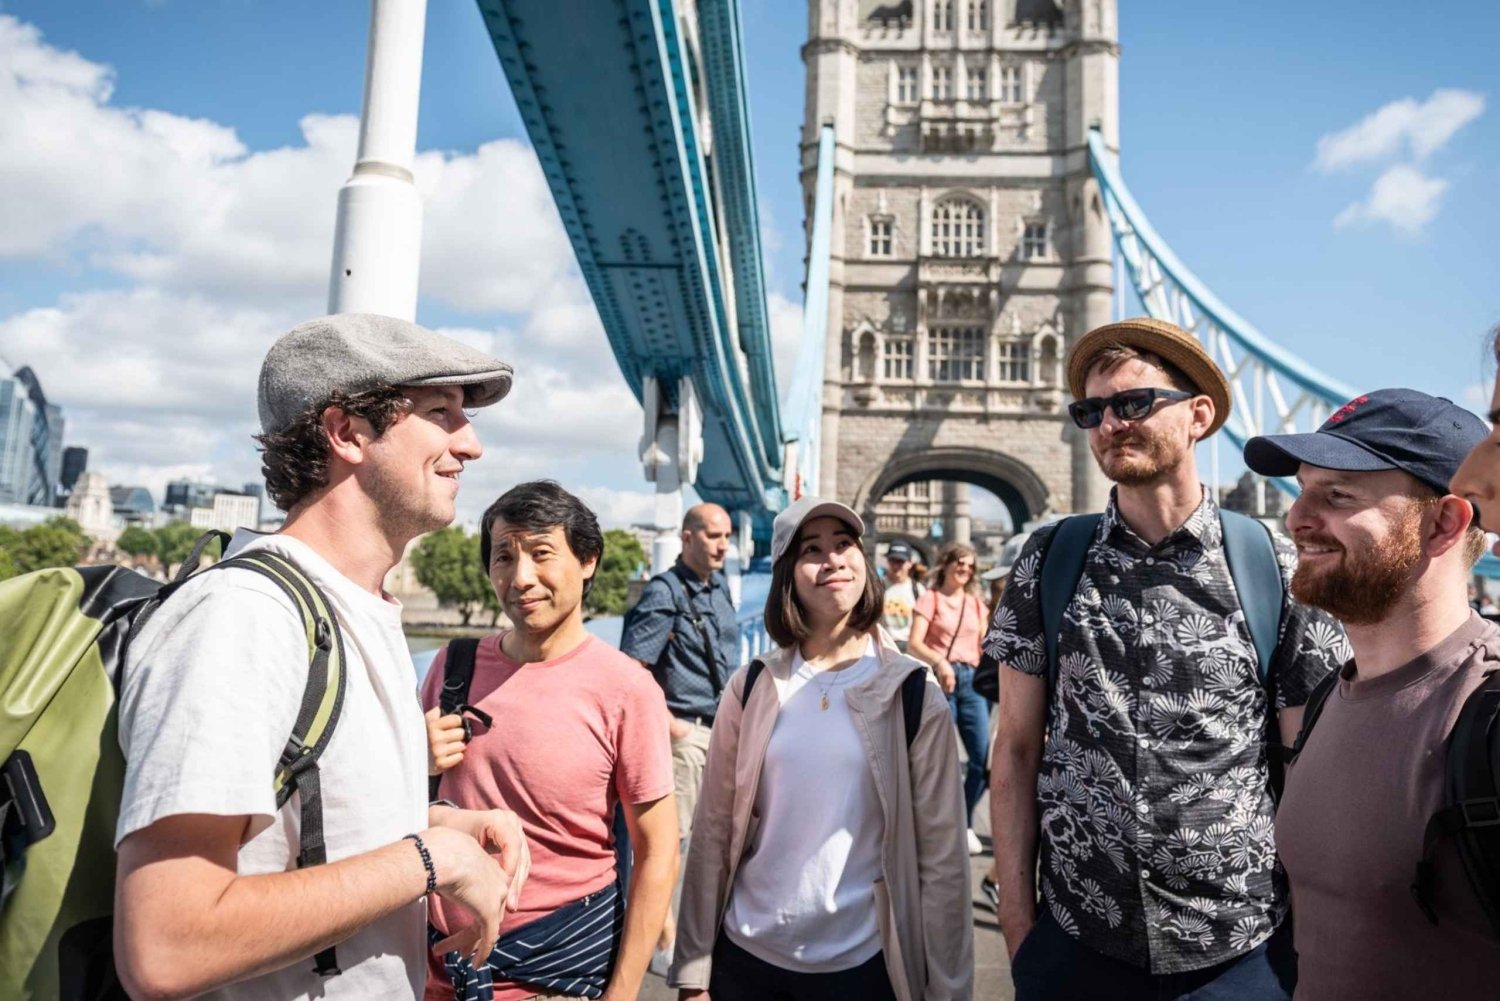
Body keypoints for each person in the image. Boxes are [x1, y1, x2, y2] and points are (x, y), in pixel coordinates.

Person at [113, 314, 531, 1000]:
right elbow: (165, 942)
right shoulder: (243, 618)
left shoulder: (357, 609)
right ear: (346, 433)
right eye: (440, 413)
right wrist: (430, 859)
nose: (473, 444)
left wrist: (442, 824)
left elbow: (300, 829)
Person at [984, 317, 1346, 1000]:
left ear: (1199, 415)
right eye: (1092, 410)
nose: (1110, 423)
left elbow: (1310, 766)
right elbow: (1015, 750)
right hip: (1077, 939)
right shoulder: (1048, 558)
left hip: (1239, 948)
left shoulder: (1276, 563)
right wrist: (1017, 922)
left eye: (1133, 402)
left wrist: (1312, 929)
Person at [1245, 388, 1500, 1000]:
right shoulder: (1331, 694)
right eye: (1302, 489)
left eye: (1336, 495)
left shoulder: (1488, 715)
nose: (1297, 517)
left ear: (1444, 522)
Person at [669, 497, 973, 1001]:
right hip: (746, 959)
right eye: (812, 549)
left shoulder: (914, 693)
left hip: (863, 966)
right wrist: (693, 972)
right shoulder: (751, 686)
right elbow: (713, 831)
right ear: (788, 574)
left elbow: (942, 861)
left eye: (844, 544)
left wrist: (948, 991)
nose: (832, 559)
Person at [424, 481, 679, 1001]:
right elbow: (393, 807)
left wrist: (624, 993)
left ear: (588, 560)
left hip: (555, 975)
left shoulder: (627, 690)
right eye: (503, 557)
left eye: (542, 554)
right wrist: (413, 758)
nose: (521, 578)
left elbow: (658, 852)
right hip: (432, 973)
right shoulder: (451, 668)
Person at [618, 503, 738, 960]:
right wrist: (672, 729)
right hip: (685, 734)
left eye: (727, 536)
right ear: (687, 538)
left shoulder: (718, 585)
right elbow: (632, 670)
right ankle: (660, 938)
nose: (723, 545)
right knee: (670, 847)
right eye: (712, 536)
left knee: (717, 839)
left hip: (720, 728)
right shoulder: (664, 593)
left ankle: (690, 930)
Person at [907, 541, 990, 856]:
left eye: (970, 567)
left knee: (981, 761)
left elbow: (986, 645)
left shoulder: (976, 604)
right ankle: (928, 826)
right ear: (947, 564)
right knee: (936, 761)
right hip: (940, 680)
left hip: (972, 683)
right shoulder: (930, 599)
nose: (965, 570)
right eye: (960, 564)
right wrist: (941, 662)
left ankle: (964, 820)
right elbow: (915, 643)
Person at [879, 538, 923, 651]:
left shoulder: (918, 590)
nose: (896, 566)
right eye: (892, 560)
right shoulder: (877, 587)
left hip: (910, 647)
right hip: (885, 646)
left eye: (900, 561)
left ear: (909, 564)